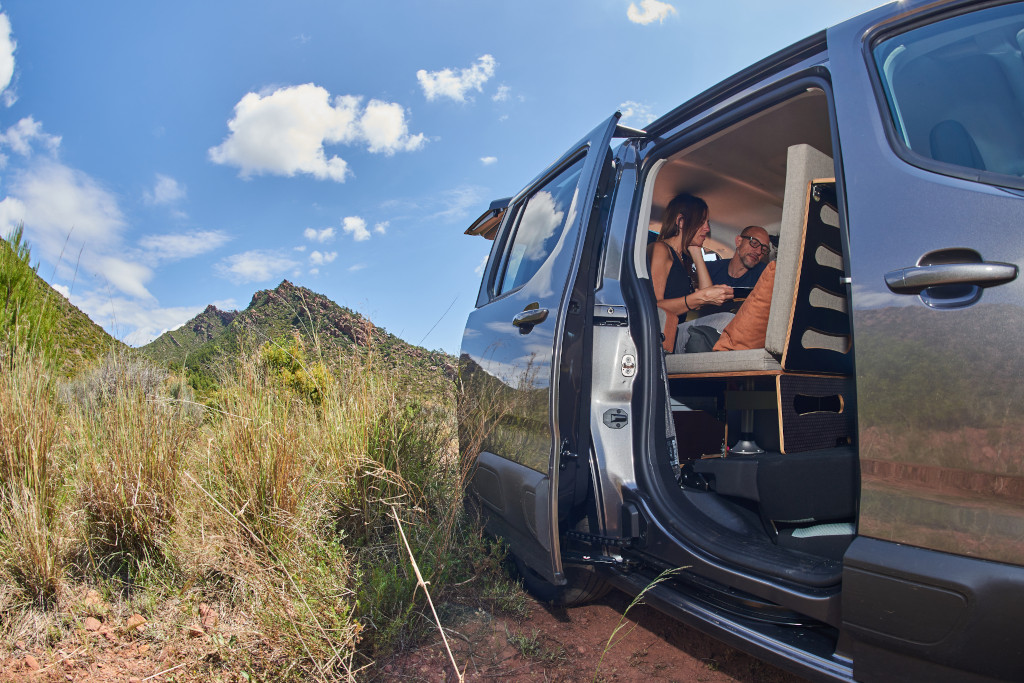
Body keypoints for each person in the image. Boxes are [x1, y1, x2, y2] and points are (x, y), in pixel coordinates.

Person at [648, 193, 734, 352]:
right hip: (660, 335)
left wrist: (695, 251)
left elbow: (705, 296)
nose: (707, 229)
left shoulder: (683, 259)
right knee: (727, 321)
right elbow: (654, 307)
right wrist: (700, 297)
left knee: (730, 322)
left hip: (675, 331)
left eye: (707, 223)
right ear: (681, 221)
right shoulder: (660, 250)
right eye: (702, 222)